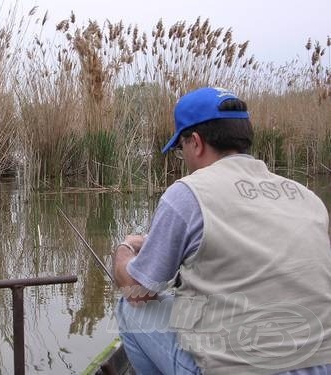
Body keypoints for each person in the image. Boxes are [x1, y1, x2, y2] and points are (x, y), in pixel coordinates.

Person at [111, 87, 331, 374]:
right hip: (320, 365)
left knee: (130, 309)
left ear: (197, 143)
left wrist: (125, 250)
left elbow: (138, 292)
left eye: (180, 149)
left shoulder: (187, 194)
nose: (184, 158)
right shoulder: (308, 198)